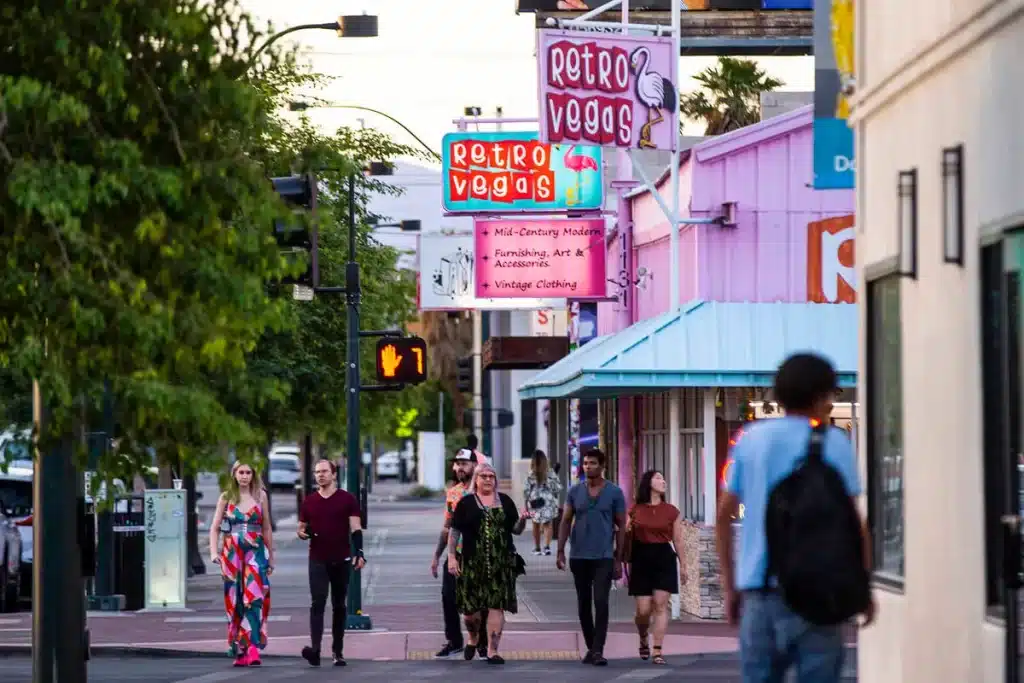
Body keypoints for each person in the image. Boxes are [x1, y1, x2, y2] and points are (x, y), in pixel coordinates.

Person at [716, 353, 875, 683]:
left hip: (760, 592)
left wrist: (730, 586)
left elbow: (723, 516)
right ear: (821, 396)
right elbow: (855, 523)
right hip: (819, 593)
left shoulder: (751, 440)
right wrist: (864, 586)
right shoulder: (834, 443)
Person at [448, 463, 528, 665]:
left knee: (496, 607)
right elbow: (454, 531)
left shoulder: (506, 502)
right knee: (470, 612)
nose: (487, 479)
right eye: (483, 476)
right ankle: (474, 637)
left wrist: (524, 520)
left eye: (491, 476)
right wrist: (451, 557)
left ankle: (493, 650)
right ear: (476, 479)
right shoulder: (466, 503)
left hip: (501, 564)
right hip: (472, 564)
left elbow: (516, 530)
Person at [556, 448, 626, 667]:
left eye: (592, 463)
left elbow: (622, 526)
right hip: (579, 555)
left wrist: (619, 558)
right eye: (585, 463)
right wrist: (559, 551)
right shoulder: (575, 492)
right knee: (583, 604)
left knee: (601, 602)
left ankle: (598, 650)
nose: (588, 467)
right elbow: (566, 521)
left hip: (604, 556)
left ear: (602, 466)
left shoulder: (614, 492)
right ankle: (592, 647)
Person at [297, 459, 366, 667]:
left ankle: (338, 651)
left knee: (339, 605)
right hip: (317, 558)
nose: (320, 475)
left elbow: (355, 528)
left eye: (325, 471)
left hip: (341, 559)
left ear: (334, 474)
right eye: (317, 472)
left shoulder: (347, 499)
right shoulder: (309, 501)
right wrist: (304, 533)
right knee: (317, 602)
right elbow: (300, 528)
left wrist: (359, 552)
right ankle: (315, 650)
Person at [209, 461, 274, 667]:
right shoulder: (226, 497)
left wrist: (271, 557)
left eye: (248, 472)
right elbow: (215, 527)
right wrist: (213, 552)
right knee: (234, 599)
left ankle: (253, 646)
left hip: (255, 550)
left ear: (253, 475)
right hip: (231, 552)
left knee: (254, 595)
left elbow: (267, 528)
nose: (245, 476)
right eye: (241, 472)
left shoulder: (260, 496)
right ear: (234, 474)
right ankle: (240, 647)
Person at [430, 449, 488, 658]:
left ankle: (482, 641)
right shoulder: (453, 493)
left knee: (480, 600)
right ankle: (454, 640)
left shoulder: (484, 490)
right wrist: (437, 555)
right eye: (457, 464)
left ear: (474, 465)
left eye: (464, 463)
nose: (459, 468)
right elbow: (447, 527)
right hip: (456, 554)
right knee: (448, 596)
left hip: (480, 555)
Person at [626, 470, 688, 666]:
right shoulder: (635, 510)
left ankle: (657, 650)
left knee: (661, 606)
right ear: (648, 483)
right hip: (641, 558)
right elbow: (626, 534)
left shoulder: (672, 511)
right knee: (643, 610)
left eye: (664, 477)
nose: (663, 481)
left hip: (664, 558)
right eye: (659, 477)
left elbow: (678, 539)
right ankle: (643, 635)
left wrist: (684, 565)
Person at [523, 450, 561, 556]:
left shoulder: (531, 474)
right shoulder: (550, 473)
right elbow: (557, 488)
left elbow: (526, 490)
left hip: (535, 502)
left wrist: (526, 503)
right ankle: (547, 547)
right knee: (548, 525)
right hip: (548, 502)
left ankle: (537, 548)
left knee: (536, 524)